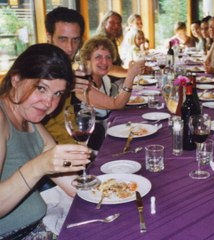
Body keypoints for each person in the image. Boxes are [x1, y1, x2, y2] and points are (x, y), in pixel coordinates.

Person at [0, 44, 91, 239]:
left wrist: (114, 190)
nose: (49, 102)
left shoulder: (33, 124)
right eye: (41, 88)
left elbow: (70, 183)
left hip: (41, 226)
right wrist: (38, 166)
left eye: (58, 94)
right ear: (16, 79)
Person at [73, 36, 143, 150]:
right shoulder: (81, 84)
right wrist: (130, 76)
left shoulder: (104, 79)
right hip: (88, 149)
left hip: (107, 138)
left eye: (108, 57)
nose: (104, 62)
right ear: (87, 59)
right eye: (98, 57)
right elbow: (117, 104)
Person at [43, 6, 85, 145]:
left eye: (75, 40)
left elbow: (66, 118)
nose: (70, 47)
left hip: (69, 145)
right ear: (49, 36)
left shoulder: (65, 68)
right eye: (63, 39)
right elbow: (38, 121)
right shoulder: (39, 68)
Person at [95, 11, 127, 78]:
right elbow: (108, 68)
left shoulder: (111, 40)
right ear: (104, 23)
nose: (116, 26)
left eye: (118, 23)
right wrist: (131, 72)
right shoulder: (101, 42)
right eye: (112, 23)